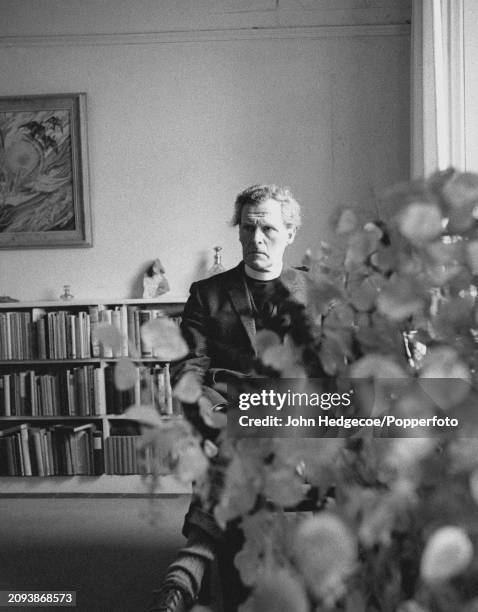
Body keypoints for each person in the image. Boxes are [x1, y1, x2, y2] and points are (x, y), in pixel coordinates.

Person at [148, 184, 319, 612]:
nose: (256, 239)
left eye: (268, 229)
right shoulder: (207, 293)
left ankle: (194, 559)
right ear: (238, 230)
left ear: (291, 232)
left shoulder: (317, 293)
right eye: (247, 228)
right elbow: (188, 369)